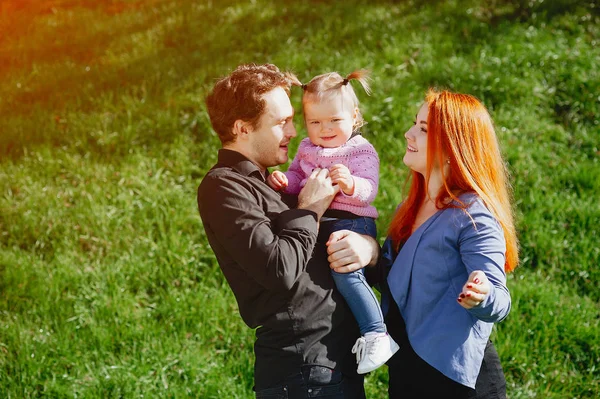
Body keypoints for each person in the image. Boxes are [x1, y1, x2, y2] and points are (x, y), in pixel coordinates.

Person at [197, 63, 380, 398]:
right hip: (302, 372)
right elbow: (279, 269)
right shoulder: (224, 186)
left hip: (335, 363)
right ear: (242, 128)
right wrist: (310, 208)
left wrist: (370, 248)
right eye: (282, 122)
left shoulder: (277, 183)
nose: (295, 131)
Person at [376, 89, 519, 398]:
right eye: (415, 123)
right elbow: (399, 280)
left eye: (424, 129)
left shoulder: (473, 216)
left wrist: (482, 295)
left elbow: (500, 301)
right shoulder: (413, 206)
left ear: (454, 145)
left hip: (456, 381)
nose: (408, 133)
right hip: (408, 370)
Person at [267, 70, 399, 374]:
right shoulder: (306, 149)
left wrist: (350, 183)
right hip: (322, 221)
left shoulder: (359, 150)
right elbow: (299, 178)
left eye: (334, 121)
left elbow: (369, 189)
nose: (325, 129)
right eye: (315, 122)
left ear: (353, 117)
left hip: (352, 222)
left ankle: (377, 332)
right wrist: (285, 180)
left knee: (346, 275)